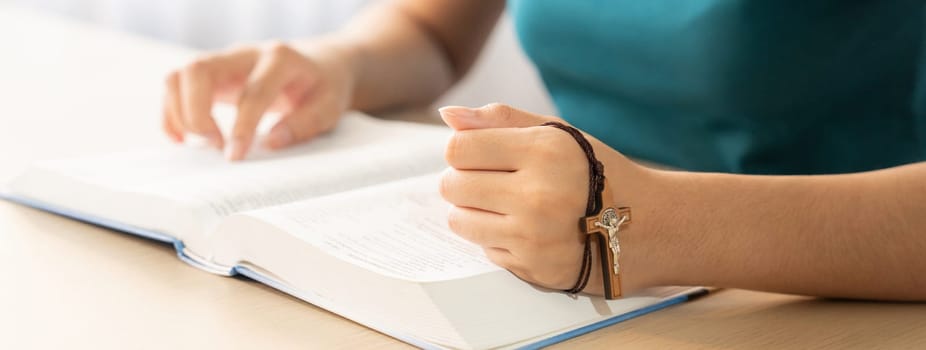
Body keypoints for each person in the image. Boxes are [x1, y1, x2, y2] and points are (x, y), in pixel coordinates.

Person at [161, 1, 926, 301]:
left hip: (836, 301)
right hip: (594, 288)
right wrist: (340, 63)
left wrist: (648, 228)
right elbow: (432, 29)